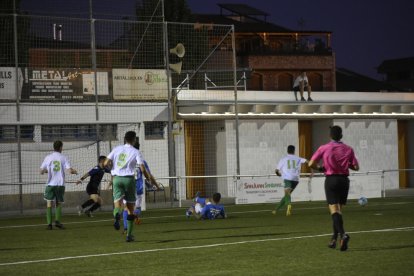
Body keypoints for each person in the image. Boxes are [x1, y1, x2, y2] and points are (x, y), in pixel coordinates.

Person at [308, 125, 359, 251]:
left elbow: (311, 163)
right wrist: (346, 164)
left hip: (331, 180)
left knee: (334, 211)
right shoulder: (349, 149)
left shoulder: (324, 148)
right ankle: (334, 240)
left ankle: (343, 235)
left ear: (330, 136)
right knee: (338, 212)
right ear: (341, 136)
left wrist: (321, 168)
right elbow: (356, 167)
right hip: (344, 181)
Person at [104, 131, 147, 242]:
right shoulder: (136, 151)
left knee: (118, 205)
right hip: (129, 179)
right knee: (130, 209)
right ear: (134, 140)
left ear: (124, 139)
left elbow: (105, 163)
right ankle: (129, 235)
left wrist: (112, 168)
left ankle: (117, 215)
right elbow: (142, 168)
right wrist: (147, 177)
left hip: (117, 178)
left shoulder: (117, 149)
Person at [122, 140, 160, 233]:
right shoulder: (142, 162)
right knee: (137, 209)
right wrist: (156, 185)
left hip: (127, 187)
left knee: (126, 208)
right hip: (138, 189)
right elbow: (149, 175)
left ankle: (126, 228)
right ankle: (135, 216)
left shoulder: (125, 160)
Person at [40, 140, 77, 230]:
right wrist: (74, 171)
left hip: (50, 184)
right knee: (58, 203)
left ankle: (49, 225)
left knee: (49, 203)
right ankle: (57, 222)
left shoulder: (48, 157)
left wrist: (47, 171)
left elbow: (41, 171)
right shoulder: (63, 157)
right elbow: (69, 170)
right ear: (61, 147)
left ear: (54, 147)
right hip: (60, 184)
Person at [273, 145, 308, 216]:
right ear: (294, 151)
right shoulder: (298, 158)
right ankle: (275, 210)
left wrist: (279, 174)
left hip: (287, 178)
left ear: (287, 150)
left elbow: (276, 170)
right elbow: (307, 161)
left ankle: (289, 205)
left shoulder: (283, 159)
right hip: (295, 179)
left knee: (287, 194)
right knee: (287, 195)